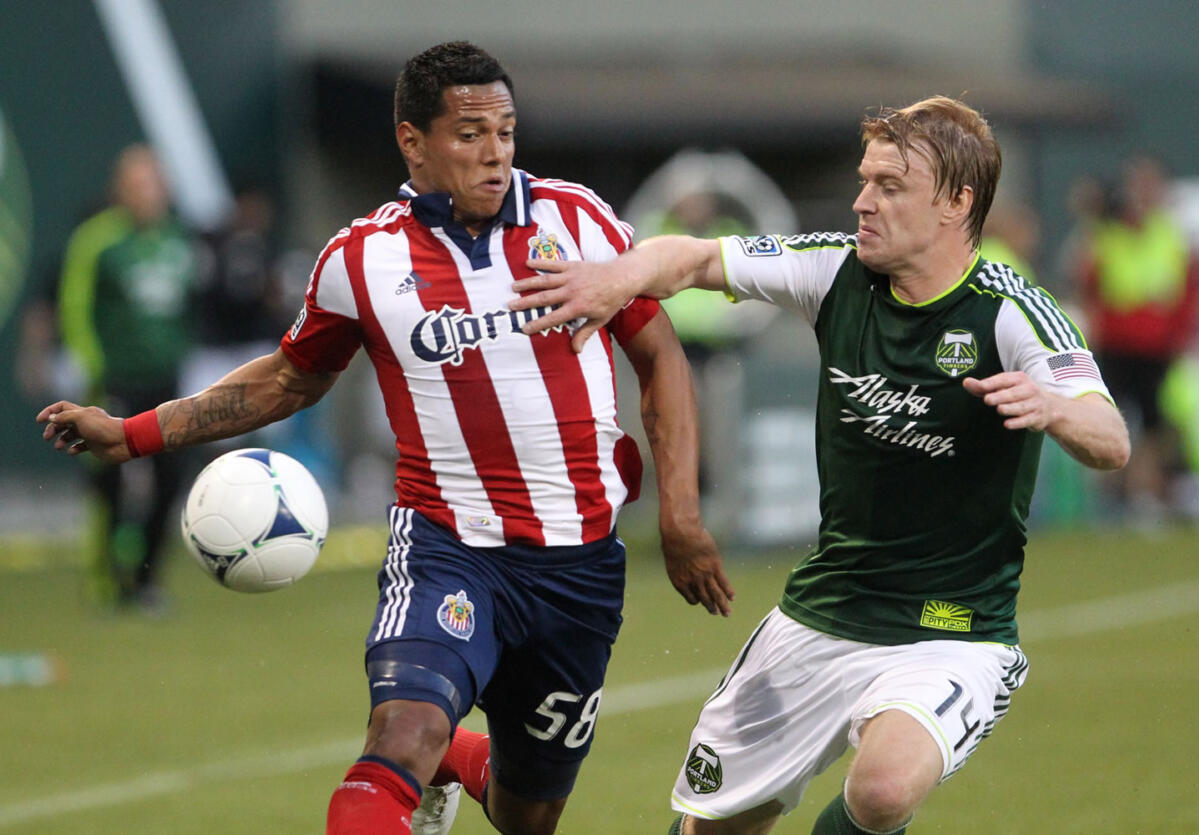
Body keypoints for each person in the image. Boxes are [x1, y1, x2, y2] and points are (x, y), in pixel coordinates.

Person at [37, 41, 733, 834]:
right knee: (399, 735)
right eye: (470, 134)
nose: (495, 152)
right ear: (414, 142)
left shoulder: (579, 221)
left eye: (506, 131)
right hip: (448, 546)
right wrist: (133, 435)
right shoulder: (360, 260)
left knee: (527, 814)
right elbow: (287, 378)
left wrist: (680, 515)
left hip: (579, 564)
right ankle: (426, 752)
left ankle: (464, 759)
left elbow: (662, 359)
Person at [509, 96, 1131, 834]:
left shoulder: (1011, 312)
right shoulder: (834, 269)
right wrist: (618, 276)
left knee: (884, 789)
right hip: (822, 616)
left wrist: (1055, 407)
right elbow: (697, 258)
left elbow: (1110, 436)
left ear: (956, 202)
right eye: (864, 180)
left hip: (951, 632)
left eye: (890, 186)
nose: (863, 201)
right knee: (714, 827)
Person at [55, 145, 198, 612]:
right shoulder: (97, 240)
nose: (147, 194)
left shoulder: (178, 239)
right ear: (120, 190)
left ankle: (145, 581)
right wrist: (90, 365)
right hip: (114, 380)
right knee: (109, 485)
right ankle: (105, 582)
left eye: (154, 183)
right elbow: (74, 305)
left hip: (166, 381)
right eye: (137, 185)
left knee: (170, 481)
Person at [1070, 155, 1199, 520]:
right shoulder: (1107, 233)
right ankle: (1117, 498)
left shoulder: (1172, 236)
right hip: (1115, 345)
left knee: (1154, 424)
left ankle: (1146, 495)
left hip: (1159, 349)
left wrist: (1182, 336)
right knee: (1111, 417)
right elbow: (1087, 281)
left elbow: (1188, 291)